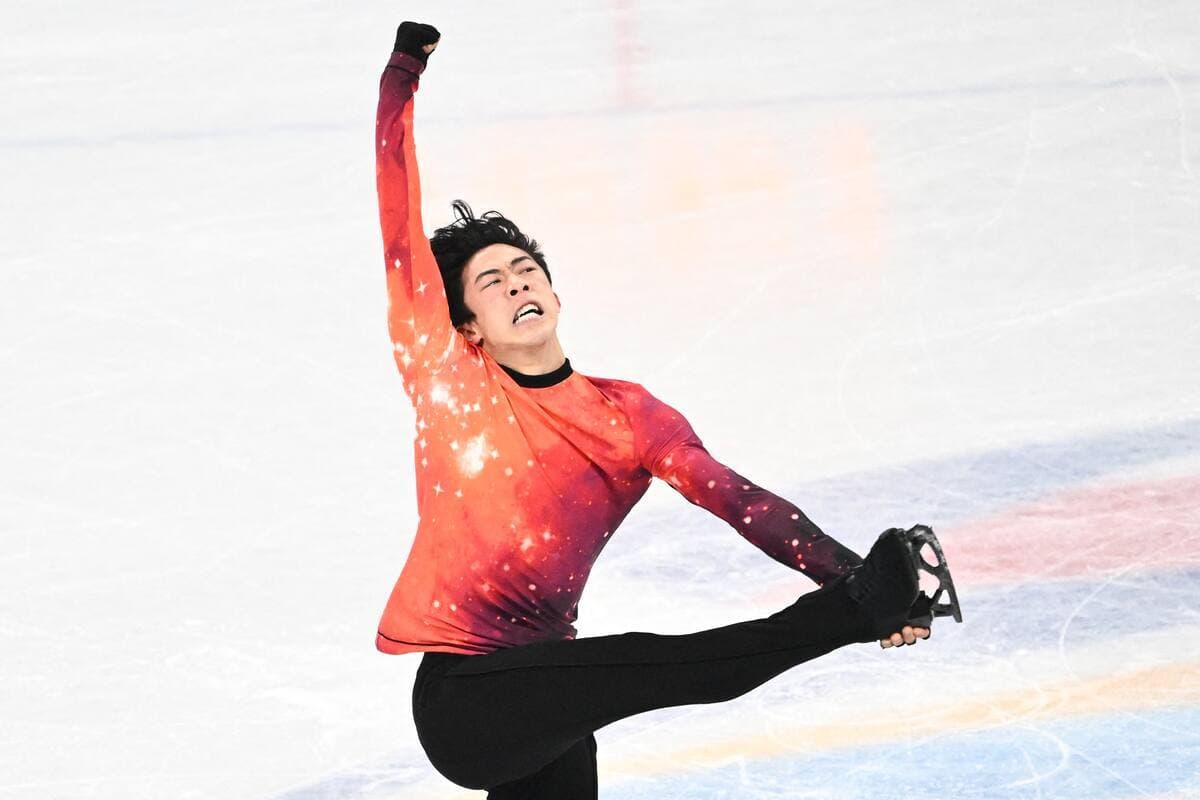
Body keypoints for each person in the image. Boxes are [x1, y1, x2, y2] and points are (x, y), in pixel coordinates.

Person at [374, 22, 951, 799]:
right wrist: (401, 79)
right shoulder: (450, 379)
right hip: (468, 703)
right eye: (492, 282)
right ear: (468, 326)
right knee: (662, 662)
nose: (516, 284)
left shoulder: (628, 418)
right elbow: (399, 226)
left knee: (614, 680)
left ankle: (858, 604)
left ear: (555, 292)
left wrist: (857, 574)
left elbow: (743, 504)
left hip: (551, 699)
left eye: (526, 270)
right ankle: (849, 614)